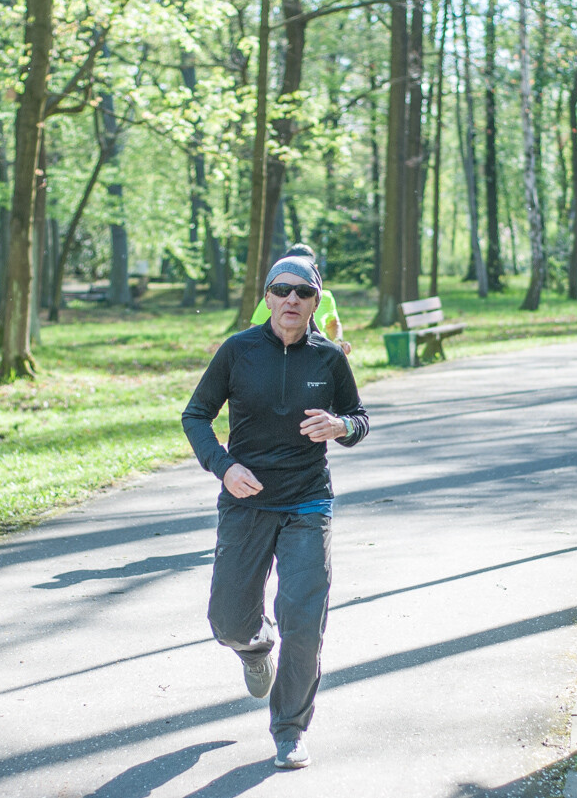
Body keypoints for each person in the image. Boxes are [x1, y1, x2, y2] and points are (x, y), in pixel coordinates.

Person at [182, 253, 368, 769]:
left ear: (315, 300)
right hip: (245, 503)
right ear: (266, 296)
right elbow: (196, 415)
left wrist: (342, 427)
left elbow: (359, 418)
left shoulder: (329, 357)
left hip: (308, 502)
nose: (292, 300)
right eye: (281, 290)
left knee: (304, 620)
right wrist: (222, 466)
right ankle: (254, 647)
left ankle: (289, 729)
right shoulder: (238, 352)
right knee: (227, 621)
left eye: (303, 293)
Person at [250, 243, 352, 355]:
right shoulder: (275, 298)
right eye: (293, 266)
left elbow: (333, 324)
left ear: (315, 268)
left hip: (319, 360)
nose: (292, 300)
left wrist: (338, 341)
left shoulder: (326, 297)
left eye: (304, 266)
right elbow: (253, 334)